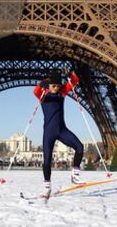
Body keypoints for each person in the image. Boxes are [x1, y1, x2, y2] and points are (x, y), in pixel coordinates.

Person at [34, 68, 84, 197]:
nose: (56, 88)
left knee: (80, 147)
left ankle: (75, 173)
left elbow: (75, 80)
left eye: (58, 85)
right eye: (53, 85)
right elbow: (36, 91)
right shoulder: (43, 96)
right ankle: (47, 187)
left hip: (62, 130)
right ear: (49, 85)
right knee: (47, 161)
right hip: (49, 134)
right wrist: (43, 82)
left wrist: (69, 74)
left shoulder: (62, 93)